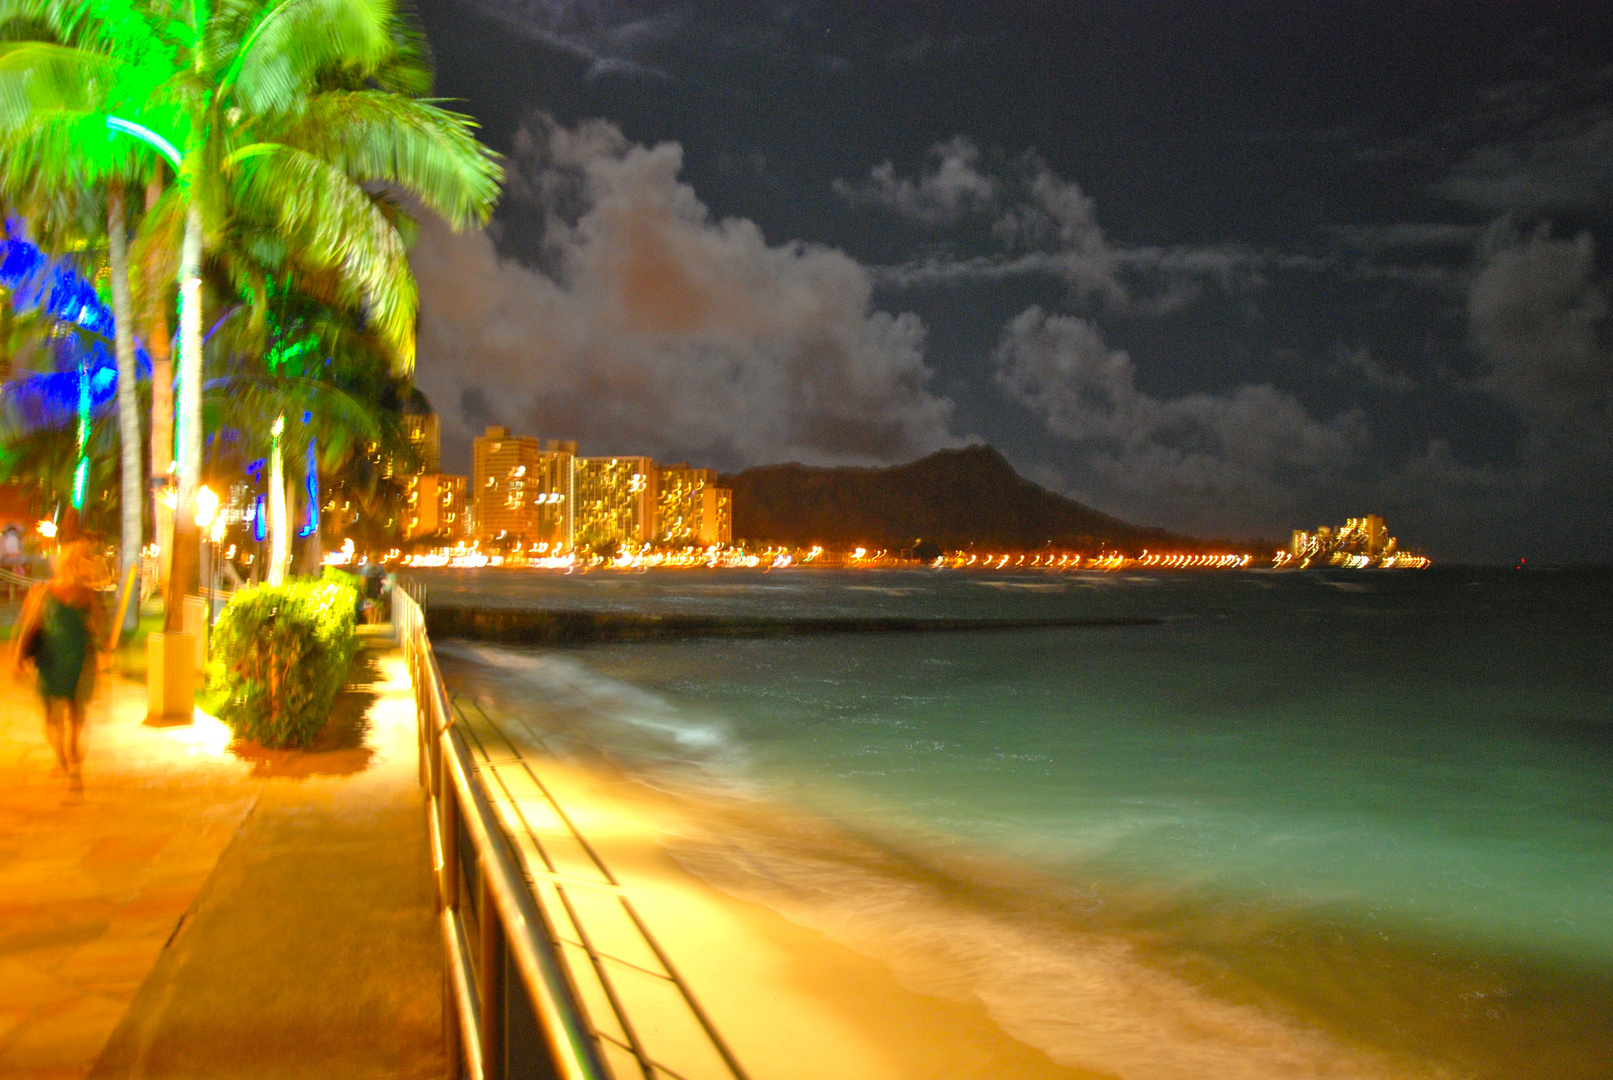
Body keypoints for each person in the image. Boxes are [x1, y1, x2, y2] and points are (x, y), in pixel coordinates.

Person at [10, 541, 107, 791]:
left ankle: (70, 765)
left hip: (73, 659)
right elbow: (29, 625)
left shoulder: (85, 594)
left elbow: (99, 628)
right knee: (62, 716)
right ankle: (68, 762)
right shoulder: (44, 592)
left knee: (67, 715)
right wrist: (18, 657)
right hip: (54, 659)